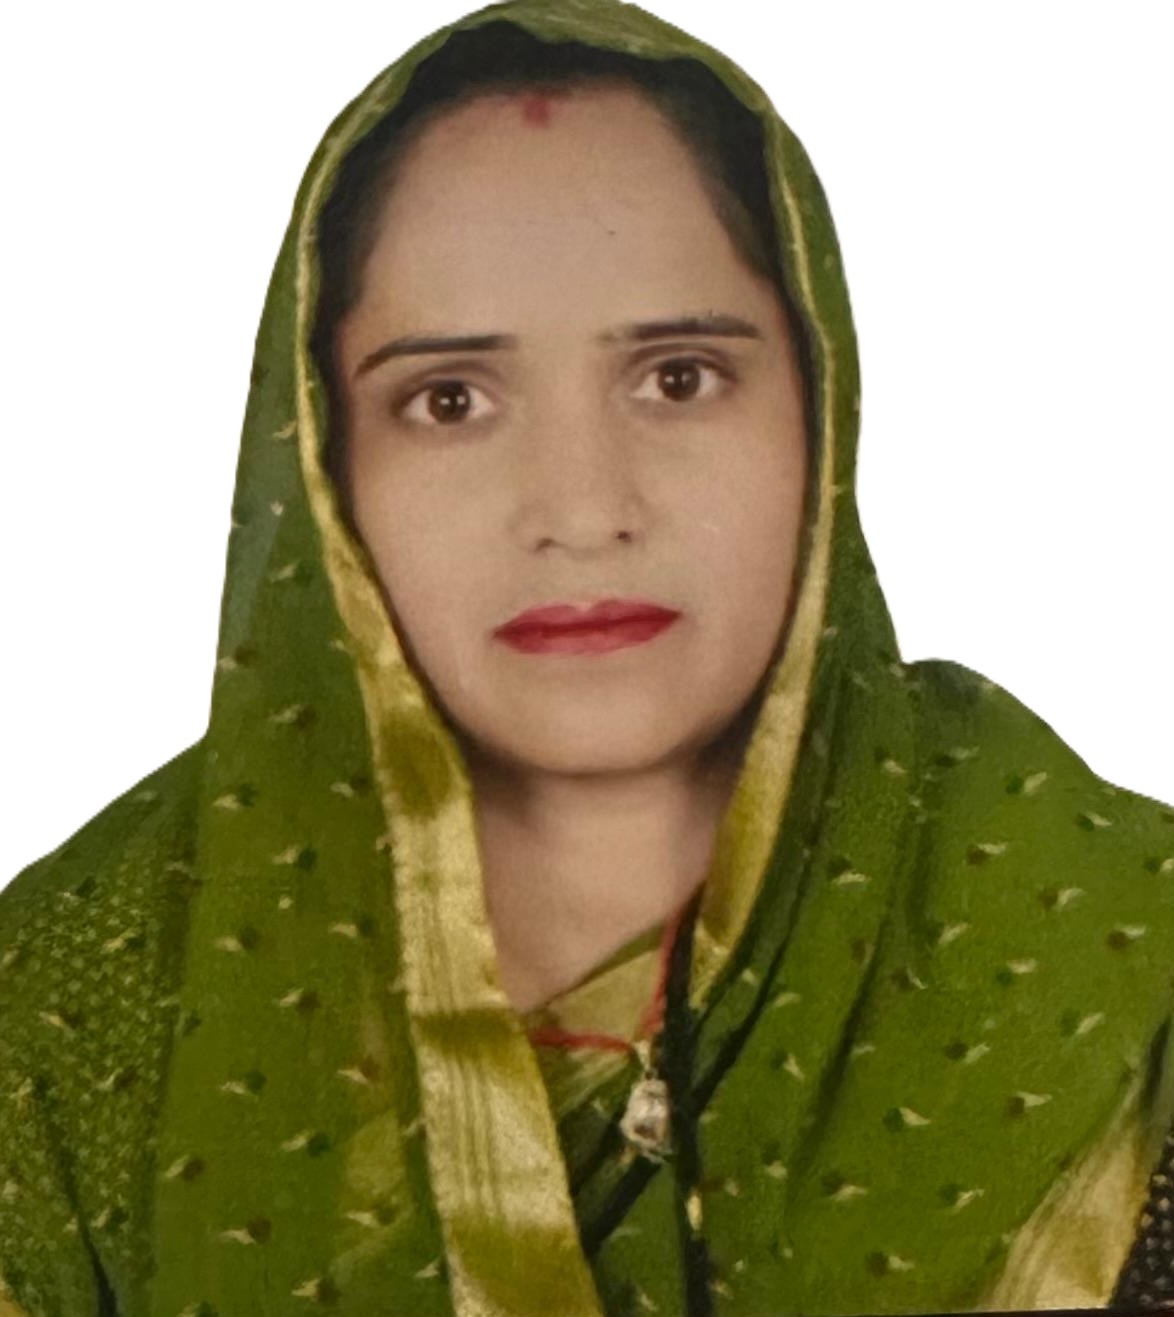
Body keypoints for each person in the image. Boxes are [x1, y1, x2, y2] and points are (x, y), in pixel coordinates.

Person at [1, 2, 1171, 1315]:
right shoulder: (72, 1018)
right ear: (321, 462)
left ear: (821, 411)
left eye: (678, 377)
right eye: (450, 400)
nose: (581, 507)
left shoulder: (1109, 958)